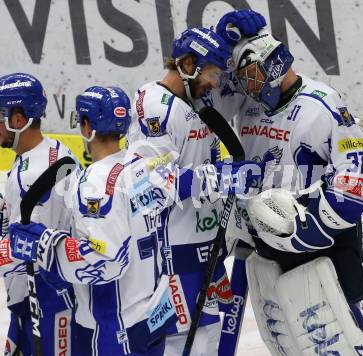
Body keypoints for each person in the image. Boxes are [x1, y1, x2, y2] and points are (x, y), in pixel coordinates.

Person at [197, 9, 363, 355]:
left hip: (316, 247)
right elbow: (204, 101)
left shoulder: (321, 104)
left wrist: (316, 224)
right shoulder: (249, 104)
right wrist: (221, 43)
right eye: (243, 78)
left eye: (252, 75)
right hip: (265, 245)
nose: (247, 85)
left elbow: (359, 170)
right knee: (284, 343)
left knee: (336, 341)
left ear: (275, 65)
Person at [8, 85, 182, 355]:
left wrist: (45, 245)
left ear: (87, 127)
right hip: (151, 316)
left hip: (112, 328)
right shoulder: (141, 164)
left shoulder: (96, 182)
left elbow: (107, 259)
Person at [126, 26, 264, 355]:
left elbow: (242, 88)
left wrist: (230, 38)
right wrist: (220, 177)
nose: (215, 82)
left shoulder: (197, 100)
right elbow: (150, 185)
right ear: (187, 65)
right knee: (175, 346)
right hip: (169, 260)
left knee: (208, 342)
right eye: (211, 73)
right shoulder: (156, 105)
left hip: (205, 251)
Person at [0, 73, 78, 356]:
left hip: (45, 298)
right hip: (64, 291)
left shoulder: (30, 175)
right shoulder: (56, 150)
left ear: (18, 120)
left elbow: (31, 250)